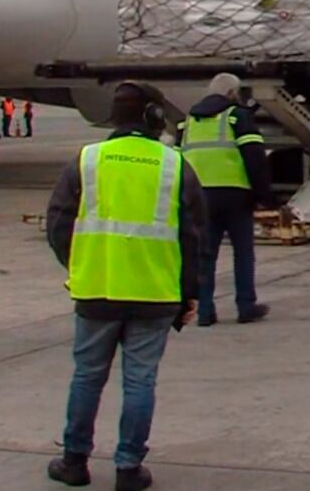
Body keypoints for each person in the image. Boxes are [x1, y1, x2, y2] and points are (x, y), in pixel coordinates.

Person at [45, 82, 207, 491]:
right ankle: (128, 468)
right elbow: (194, 237)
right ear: (154, 118)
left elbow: (59, 222)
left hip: (97, 288)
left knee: (87, 377)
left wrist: (81, 263)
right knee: (140, 381)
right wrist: (190, 293)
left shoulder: (87, 160)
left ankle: (74, 461)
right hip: (154, 293)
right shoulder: (174, 165)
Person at [179, 73, 275, 327]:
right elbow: (255, 158)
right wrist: (265, 196)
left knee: (205, 255)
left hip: (200, 196)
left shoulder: (188, 122)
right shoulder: (237, 117)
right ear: (233, 93)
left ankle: (205, 311)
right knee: (243, 253)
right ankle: (246, 306)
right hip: (235, 195)